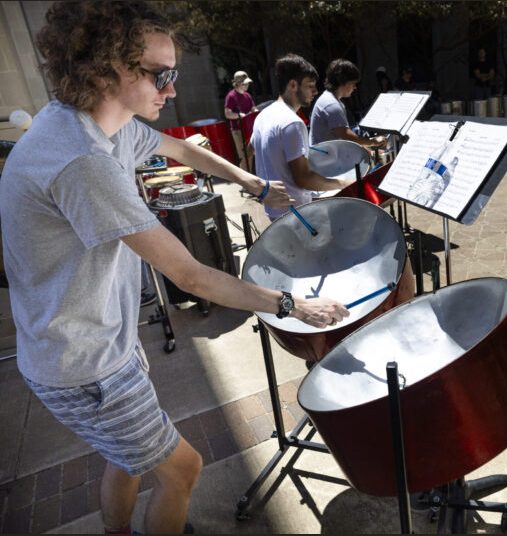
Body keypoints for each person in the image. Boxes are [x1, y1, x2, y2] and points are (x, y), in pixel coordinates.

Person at [0, 4, 349, 535]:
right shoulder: (82, 159)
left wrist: (251, 183)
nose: (172, 88)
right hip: (82, 365)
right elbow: (190, 276)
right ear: (105, 68)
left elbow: (182, 148)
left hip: (102, 342)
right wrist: (292, 305)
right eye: (161, 74)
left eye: (175, 73)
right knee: (183, 470)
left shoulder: (101, 122)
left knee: (129, 458)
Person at [251, 54, 355, 221]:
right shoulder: (292, 123)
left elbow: (253, 150)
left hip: (274, 211)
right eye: (309, 86)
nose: (315, 91)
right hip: (297, 215)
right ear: (293, 85)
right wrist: (342, 184)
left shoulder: (263, 116)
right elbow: (303, 179)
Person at [310, 59, 386, 148]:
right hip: (325, 159)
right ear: (343, 82)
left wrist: (364, 147)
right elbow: (346, 135)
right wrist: (373, 141)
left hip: (329, 155)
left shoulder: (330, 99)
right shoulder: (331, 104)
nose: (355, 87)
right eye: (353, 83)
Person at [223, 70, 258, 171]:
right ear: (237, 83)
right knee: (244, 156)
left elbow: (253, 108)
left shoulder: (247, 95)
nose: (247, 85)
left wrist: (256, 111)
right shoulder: (231, 96)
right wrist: (239, 115)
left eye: (247, 83)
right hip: (238, 130)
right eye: (244, 83)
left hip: (249, 129)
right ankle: (245, 180)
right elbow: (227, 113)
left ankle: (250, 178)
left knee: (250, 154)